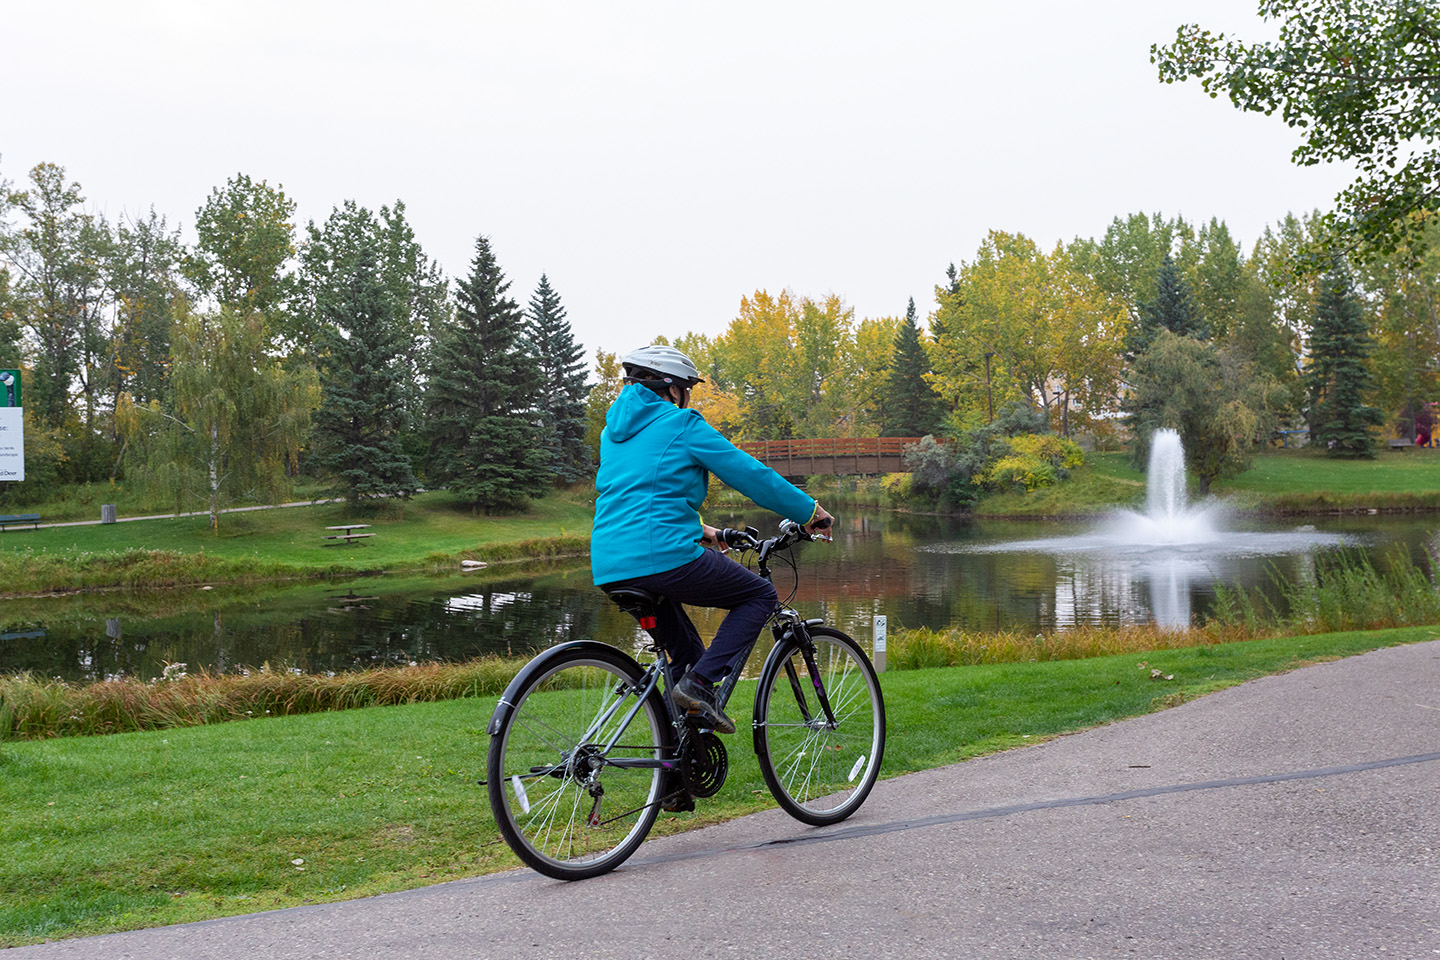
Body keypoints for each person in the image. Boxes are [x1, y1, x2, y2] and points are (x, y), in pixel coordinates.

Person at [591, 344, 833, 735]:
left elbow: (638, 496)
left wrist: (708, 532)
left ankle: (674, 780)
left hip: (610, 564)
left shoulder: (613, 434)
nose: (688, 396)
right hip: (663, 557)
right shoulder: (681, 424)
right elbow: (749, 473)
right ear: (671, 388)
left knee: (687, 657)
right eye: (687, 388)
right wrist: (810, 512)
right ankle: (701, 685)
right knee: (759, 596)